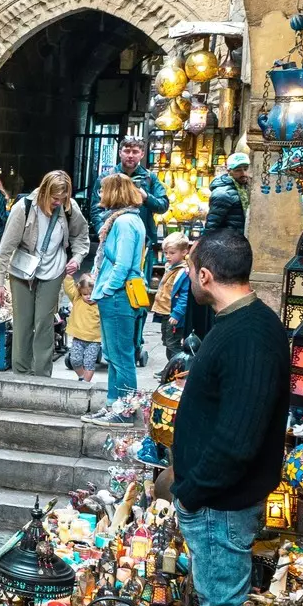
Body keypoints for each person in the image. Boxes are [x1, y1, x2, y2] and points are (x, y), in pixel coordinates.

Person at [169, 230, 287, 606]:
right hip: (215, 502)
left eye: (188, 267)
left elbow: (238, 440)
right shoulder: (240, 323)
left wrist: (191, 493)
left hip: (219, 506)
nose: (187, 276)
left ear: (204, 276)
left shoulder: (249, 336)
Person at [0, 170, 90, 377]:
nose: (58, 203)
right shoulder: (24, 208)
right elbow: (6, 247)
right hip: (22, 271)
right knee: (23, 323)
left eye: (62, 199)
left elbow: (81, 236)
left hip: (53, 270)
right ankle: (21, 372)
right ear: (45, 192)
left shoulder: (70, 209)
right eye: (55, 199)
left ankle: (43, 375)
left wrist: (77, 258)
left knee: (44, 323)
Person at [84, 173, 151, 412]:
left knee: (120, 356)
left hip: (118, 296)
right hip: (118, 295)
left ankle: (124, 409)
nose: (100, 194)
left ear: (114, 192)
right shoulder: (129, 220)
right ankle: (114, 404)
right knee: (115, 354)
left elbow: (122, 265)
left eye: (103, 190)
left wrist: (106, 289)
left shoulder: (123, 223)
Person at [93, 137, 169, 246]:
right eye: (127, 151)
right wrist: (103, 231)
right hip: (113, 237)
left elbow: (163, 205)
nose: (130, 155)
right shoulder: (107, 177)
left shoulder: (149, 177)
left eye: (135, 152)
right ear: (120, 153)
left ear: (142, 154)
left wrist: (147, 198)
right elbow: (96, 209)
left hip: (143, 239)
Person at [151, 231, 192, 374]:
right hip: (164, 312)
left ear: (184, 252)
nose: (167, 256)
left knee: (173, 344)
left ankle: (180, 370)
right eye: (166, 252)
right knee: (168, 343)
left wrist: (177, 313)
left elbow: (184, 296)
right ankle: (171, 368)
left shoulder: (184, 272)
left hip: (172, 315)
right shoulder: (171, 268)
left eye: (172, 253)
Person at [62, 268, 102, 381]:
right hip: (78, 338)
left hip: (94, 340)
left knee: (89, 363)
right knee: (75, 360)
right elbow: (69, 288)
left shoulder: (100, 304)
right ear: (80, 292)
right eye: (85, 294)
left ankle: (85, 383)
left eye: (91, 294)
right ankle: (81, 377)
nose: (88, 297)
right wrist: (69, 276)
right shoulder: (77, 299)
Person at [203, 152, 251, 237]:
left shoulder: (244, 189)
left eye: (246, 169)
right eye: (238, 170)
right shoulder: (222, 194)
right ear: (229, 171)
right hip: (228, 242)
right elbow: (212, 226)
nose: (243, 173)